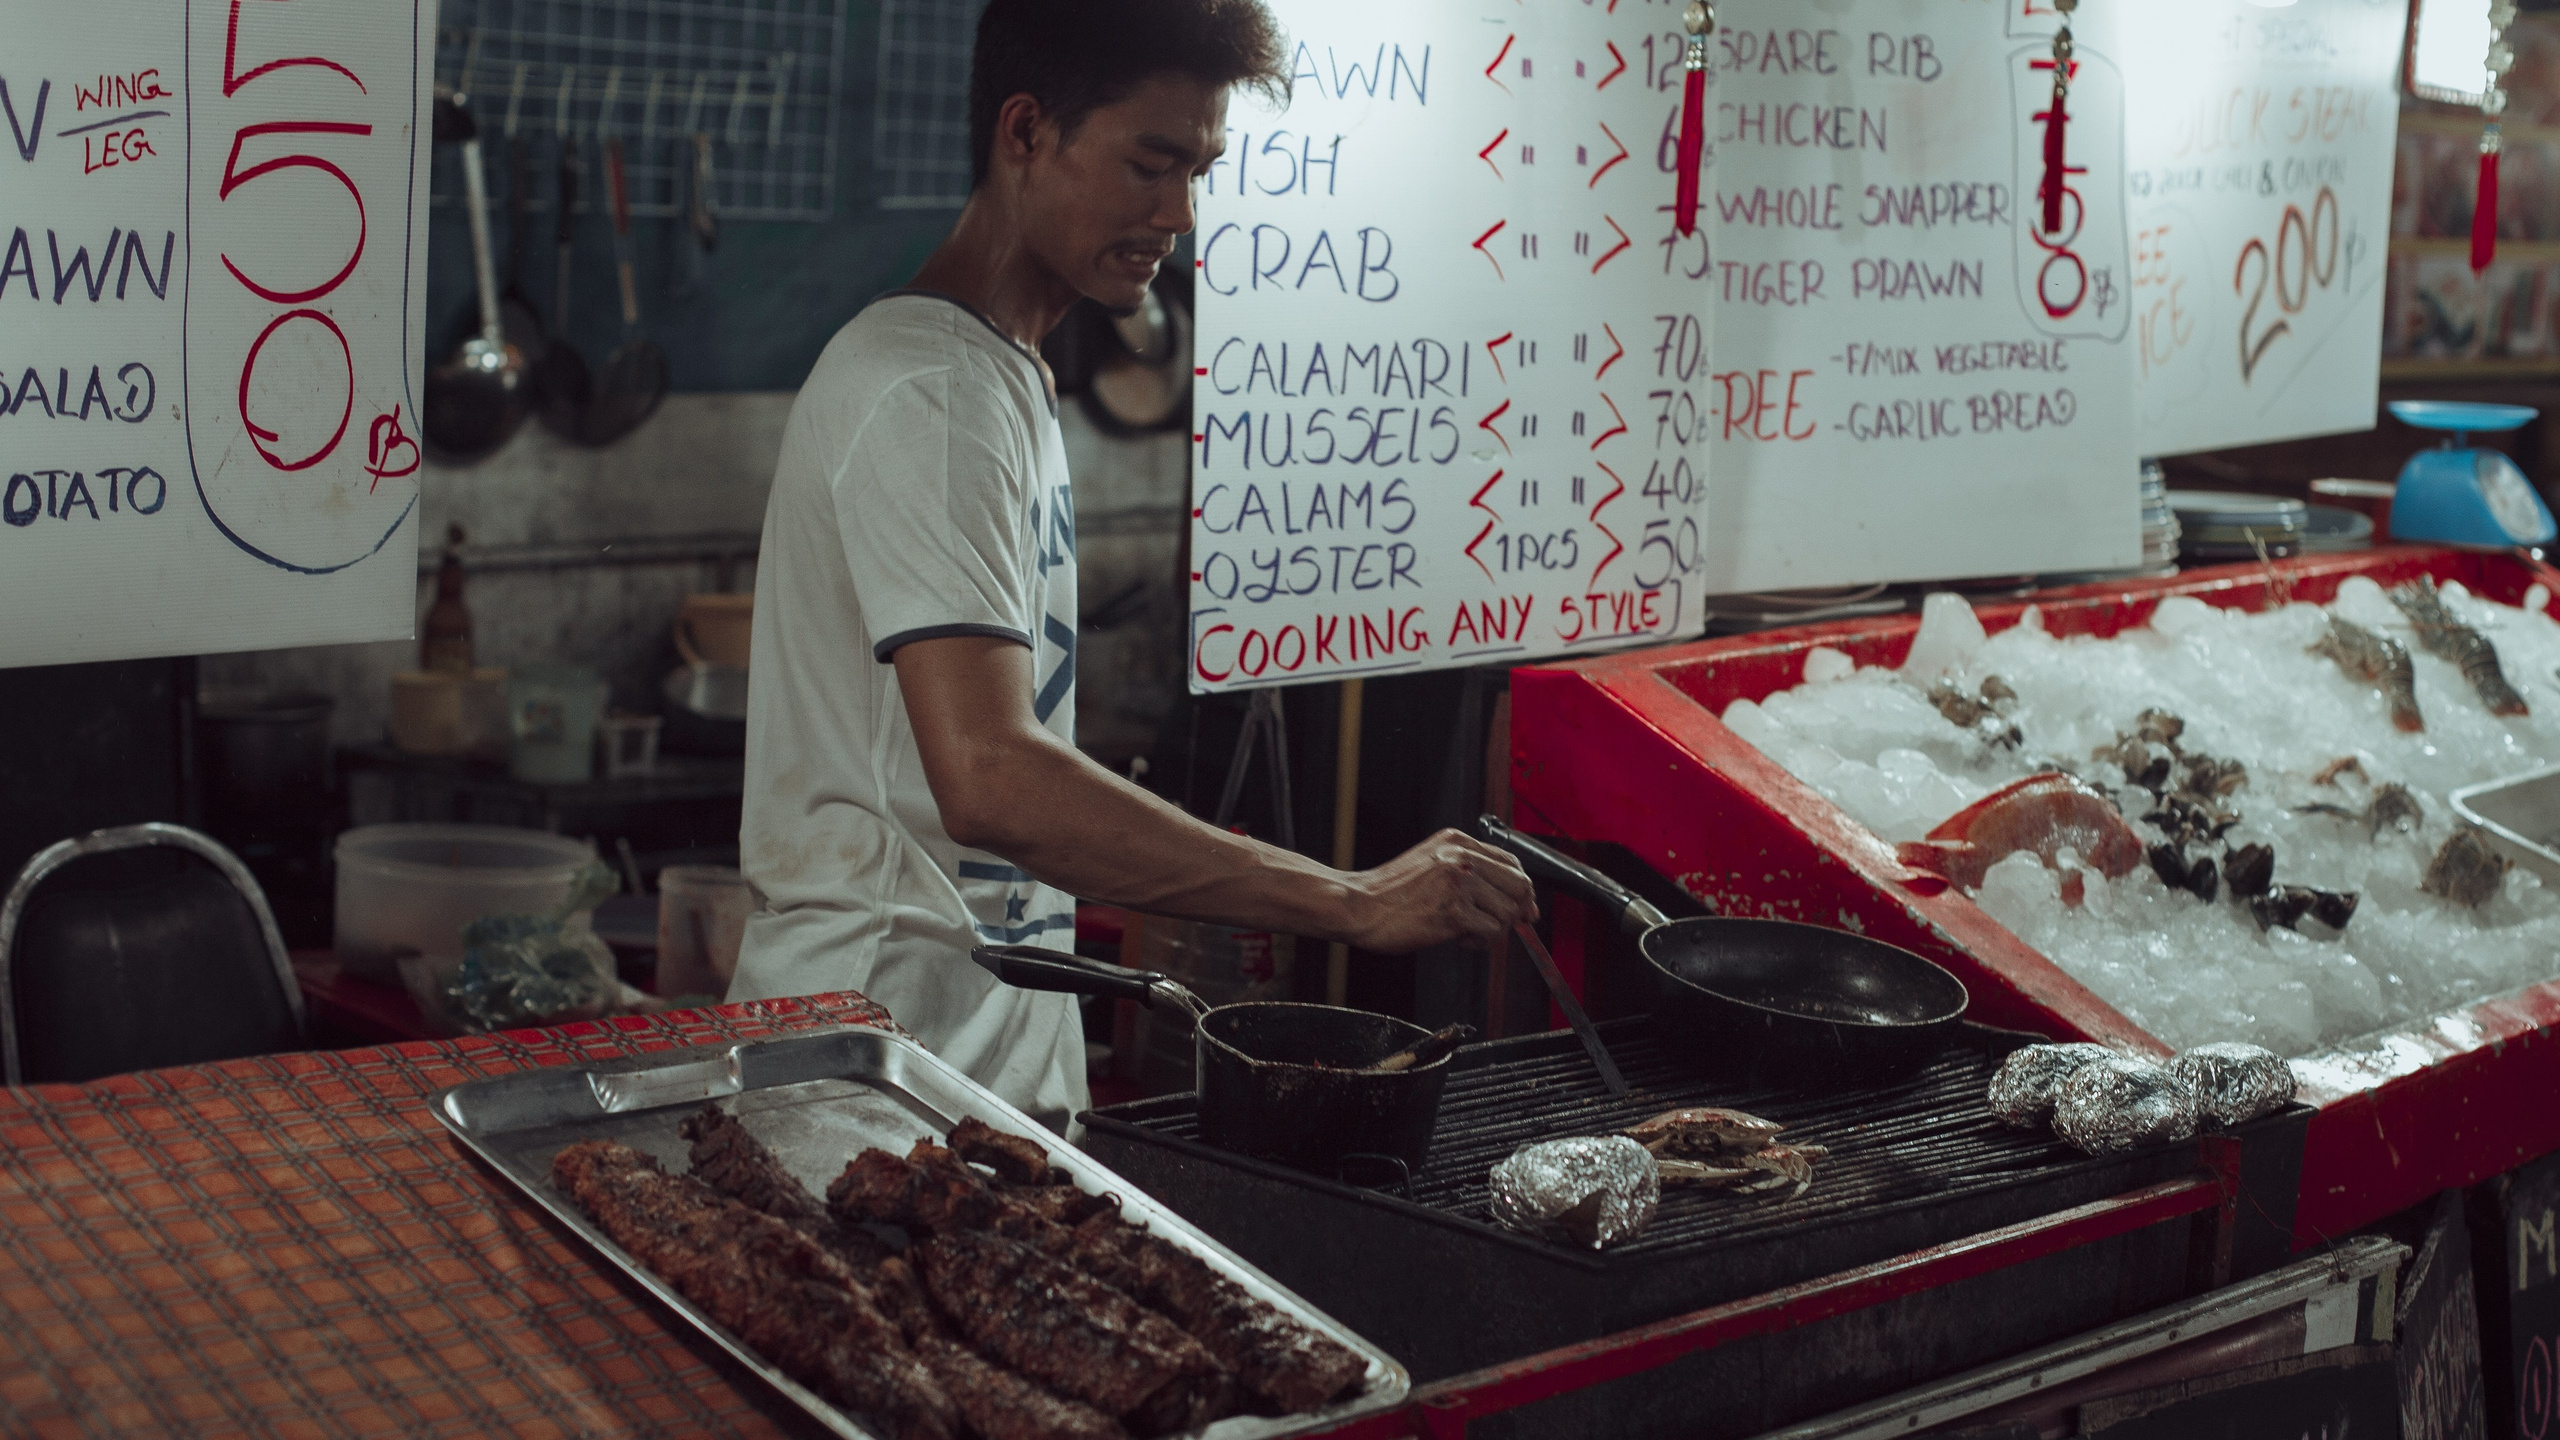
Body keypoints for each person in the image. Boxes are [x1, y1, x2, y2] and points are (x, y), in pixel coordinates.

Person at [730, 0, 1539, 1132]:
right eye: (1148, 166)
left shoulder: (1002, 374)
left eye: (1198, 170)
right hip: (865, 1086)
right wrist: (1348, 900)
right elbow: (992, 778)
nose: (1179, 214)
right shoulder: (930, 390)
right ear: (1024, 132)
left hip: (962, 1073)